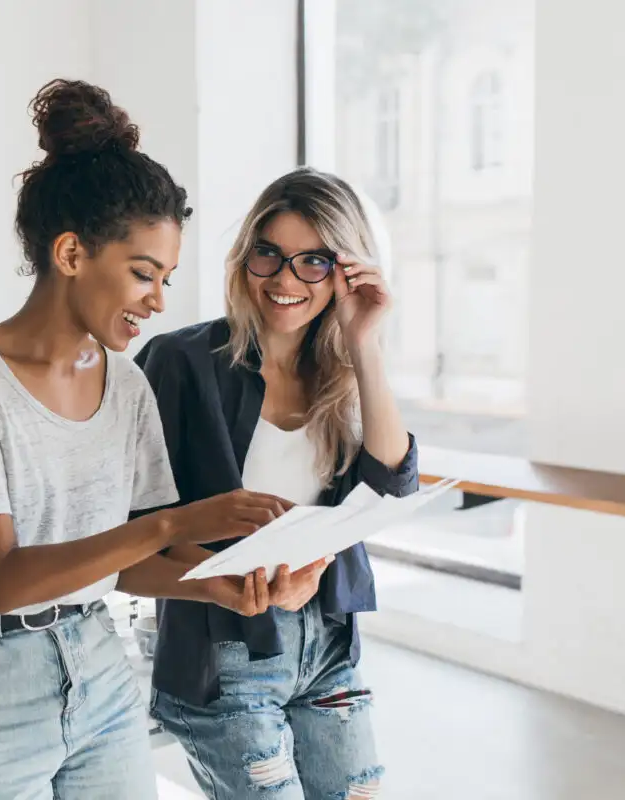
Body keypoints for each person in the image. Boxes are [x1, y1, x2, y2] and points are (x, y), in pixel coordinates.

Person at [0, 79, 295, 800]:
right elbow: (3, 580)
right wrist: (178, 524)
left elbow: (119, 568)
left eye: (167, 278)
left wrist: (222, 588)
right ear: (73, 253)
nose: (159, 300)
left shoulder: (128, 386)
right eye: (144, 273)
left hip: (97, 662)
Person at [135, 167, 418, 799]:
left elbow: (390, 491)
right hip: (224, 653)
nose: (285, 280)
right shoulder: (180, 361)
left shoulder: (344, 375)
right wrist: (234, 582)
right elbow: (140, 524)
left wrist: (365, 344)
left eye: (313, 262)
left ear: (345, 274)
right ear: (246, 259)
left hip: (328, 652)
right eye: (270, 254)